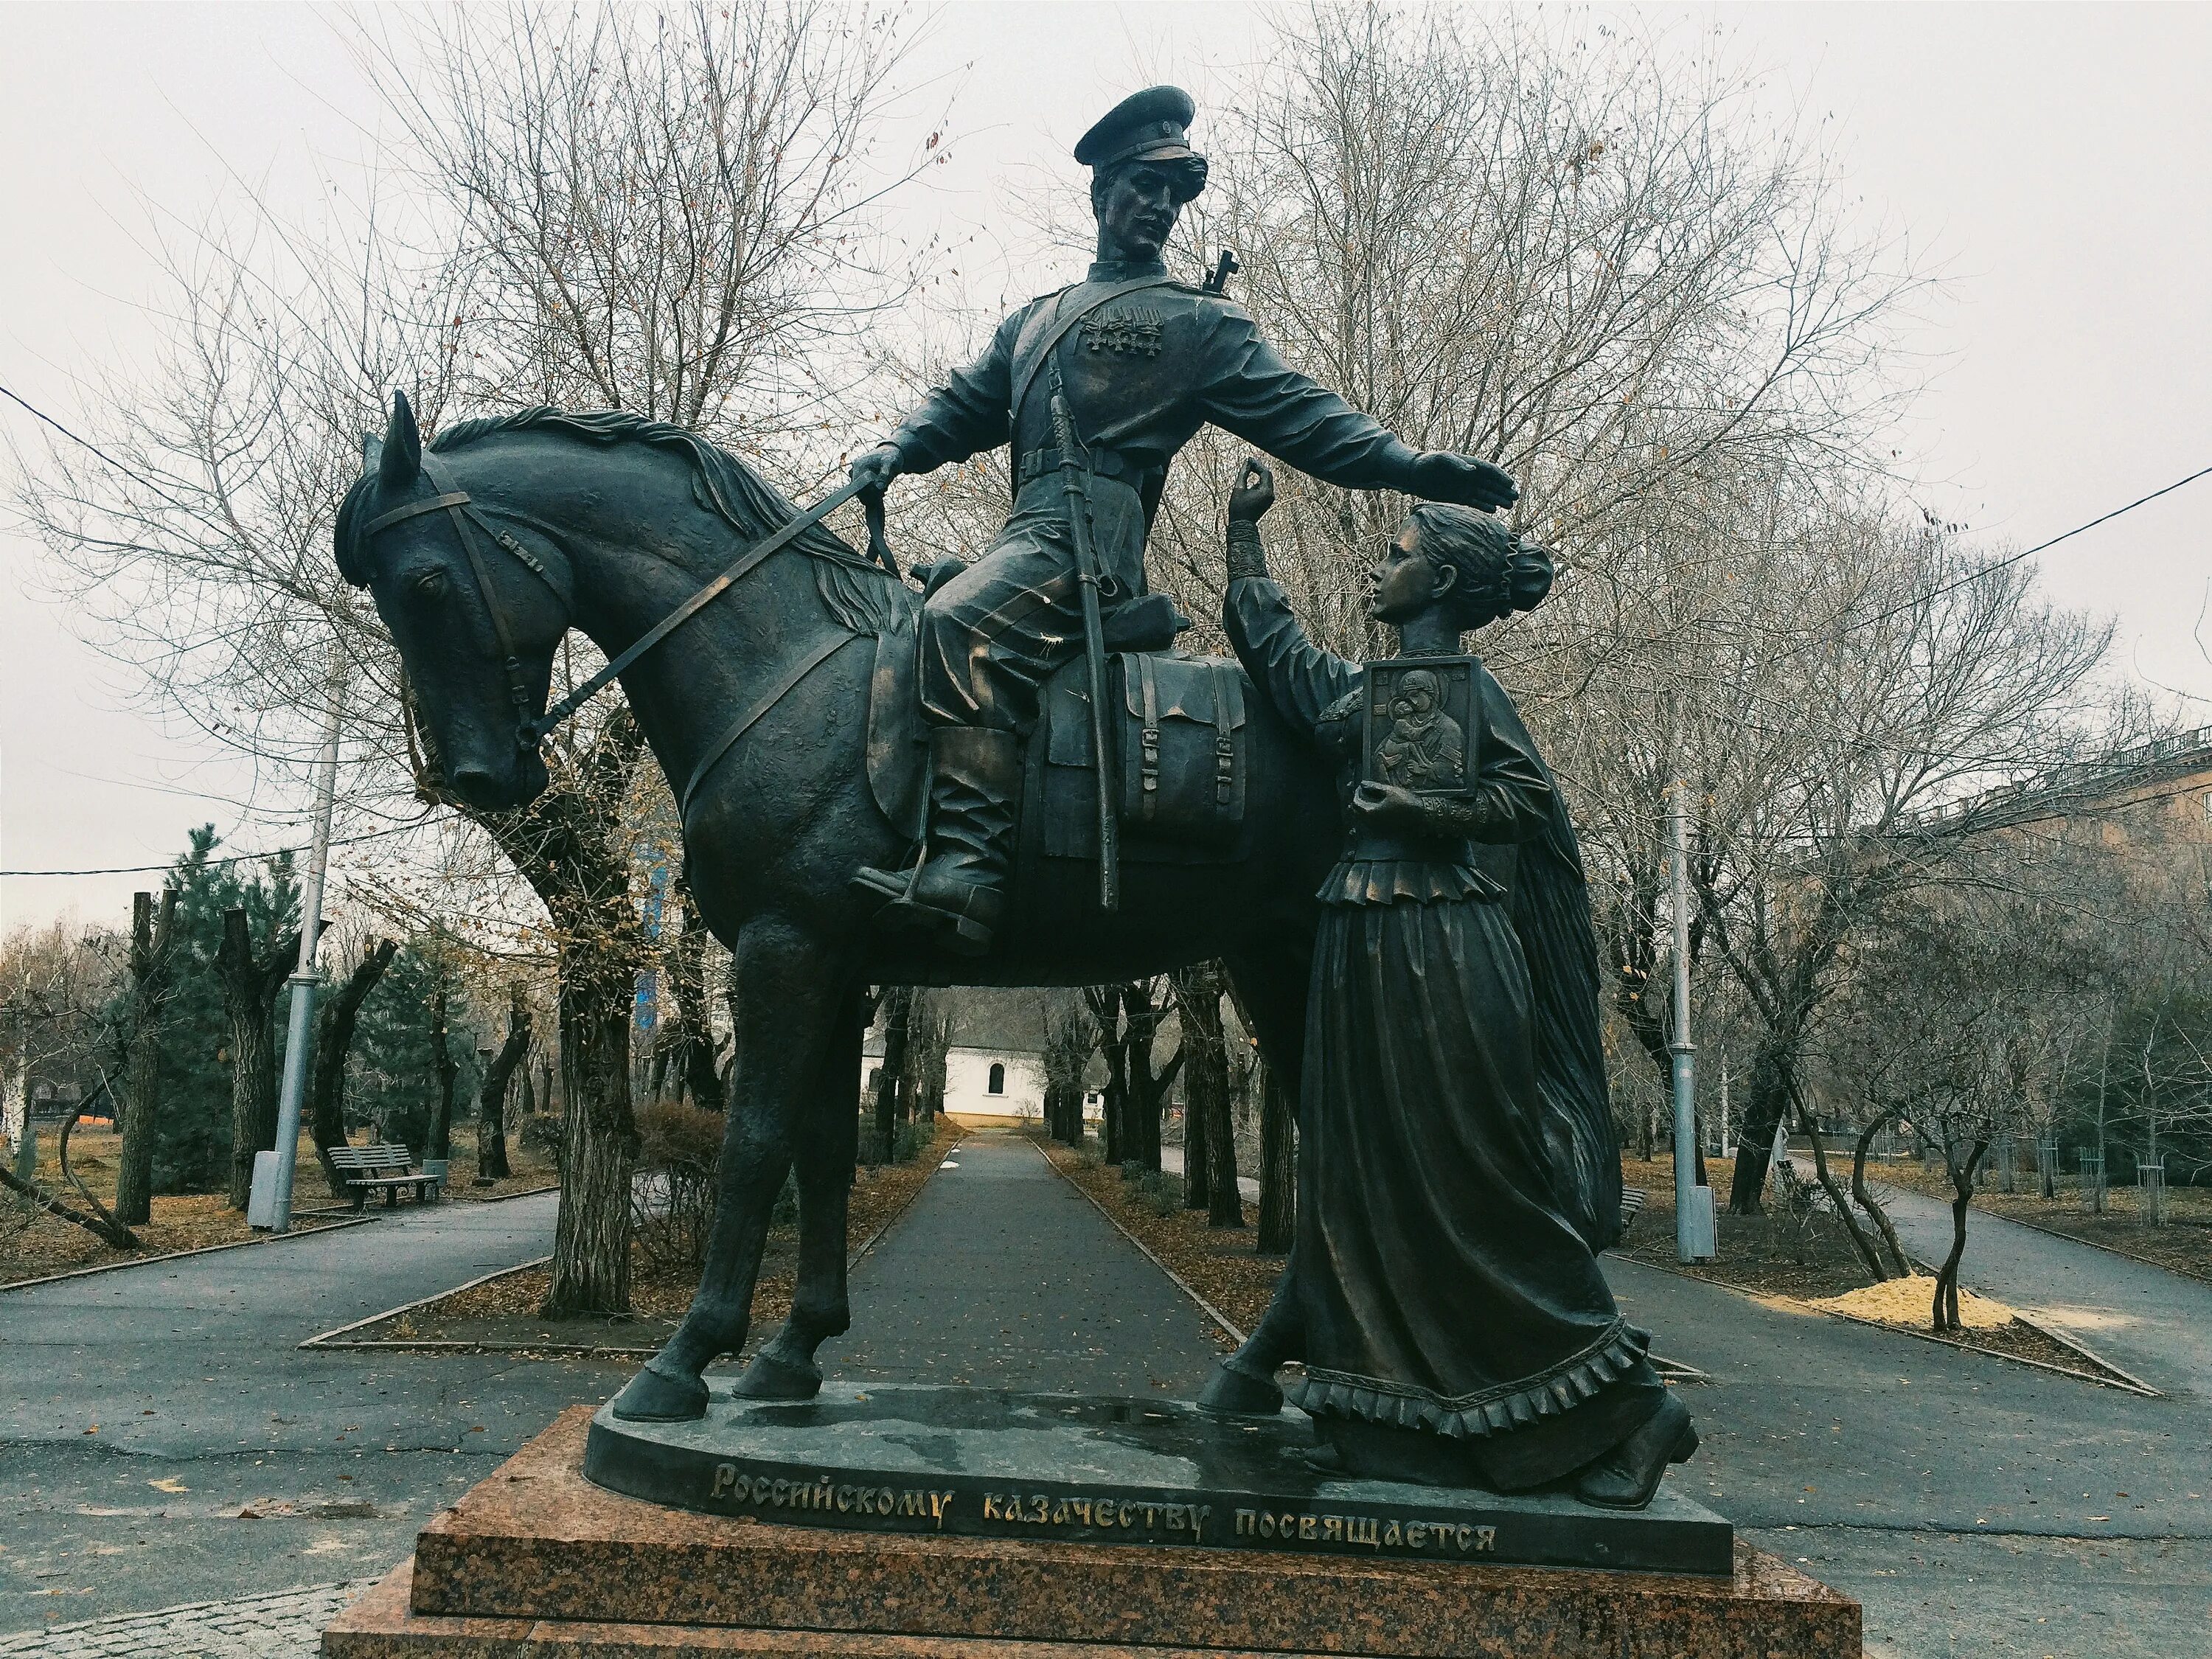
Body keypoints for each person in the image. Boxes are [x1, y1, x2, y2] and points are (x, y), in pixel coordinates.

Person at [846, 85, 1517, 954]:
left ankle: (967, 873)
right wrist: (894, 451)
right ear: (1102, 192)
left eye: (1177, 192)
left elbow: (1310, 419)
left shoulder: (1199, 327)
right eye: (1145, 186)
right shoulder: (1035, 321)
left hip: (1086, 554)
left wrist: (1409, 464)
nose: (1161, 207)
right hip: (1027, 537)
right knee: (902, 617)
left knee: (952, 626)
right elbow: (961, 407)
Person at [1213, 458, 1697, 1509]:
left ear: (1436, 581)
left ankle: (1631, 1401)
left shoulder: (1475, 694)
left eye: (1395, 556)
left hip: (1444, 948)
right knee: (1366, 1173)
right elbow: (1282, 660)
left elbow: (1523, 800)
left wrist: (1435, 814)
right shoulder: (1364, 690)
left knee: (1473, 1182)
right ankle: (1395, 1411)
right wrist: (1244, 537)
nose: (1379, 569)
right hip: (1365, 944)